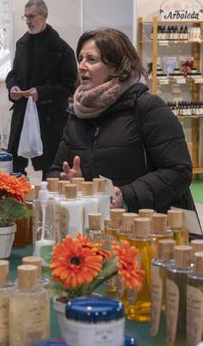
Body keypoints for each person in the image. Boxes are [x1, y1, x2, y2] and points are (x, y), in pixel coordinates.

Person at [46, 28, 195, 213]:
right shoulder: (78, 114)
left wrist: (126, 196)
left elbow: (178, 171)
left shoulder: (147, 108)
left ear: (117, 68)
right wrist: (68, 181)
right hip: (94, 224)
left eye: (91, 60)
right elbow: (55, 170)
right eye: (80, 59)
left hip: (145, 227)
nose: (81, 66)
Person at [5, 0, 77, 176]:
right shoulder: (22, 44)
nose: (28, 21)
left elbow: (69, 86)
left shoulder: (62, 49)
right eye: (25, 17)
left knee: (51, 167)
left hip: (50, 116)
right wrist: (13, 88)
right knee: (14, 164)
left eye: (32, 16)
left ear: (45, 16)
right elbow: (13, 73)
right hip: (23, 111)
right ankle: (15, 199)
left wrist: (41, 92)